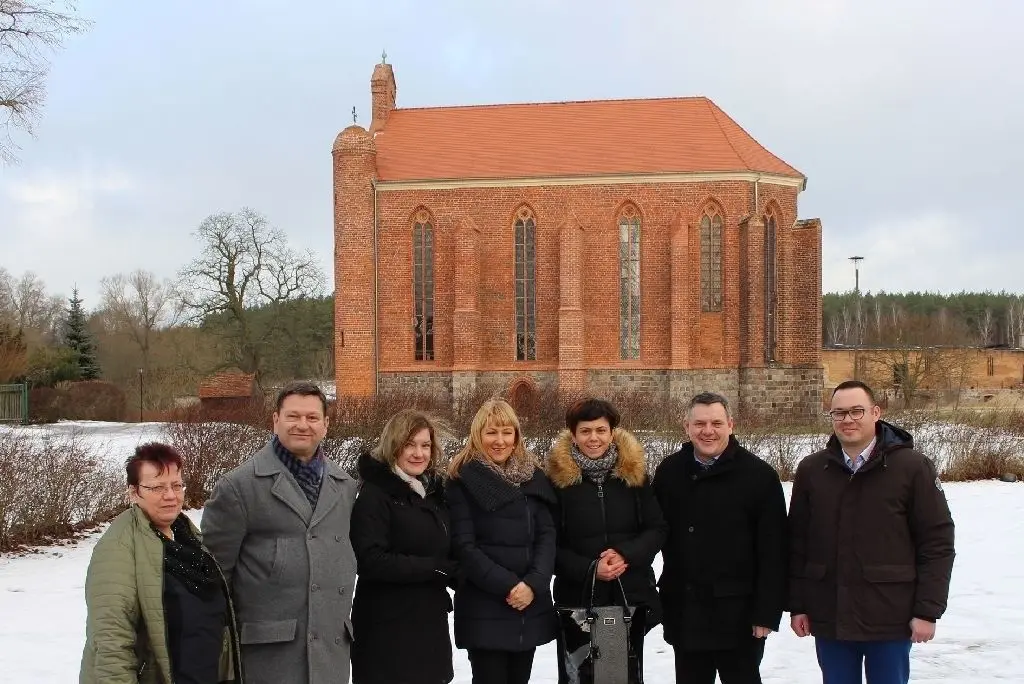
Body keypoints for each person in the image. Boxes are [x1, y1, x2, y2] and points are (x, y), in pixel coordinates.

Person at [788, 380, 956, 684]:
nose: (848, 420)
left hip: (890, 615)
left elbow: (937, 542)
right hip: (830, 614)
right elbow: (798, 542)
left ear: (876, 413)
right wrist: (797, 605)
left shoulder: (912, 468)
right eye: (839, 413)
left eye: (857, 411)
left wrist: (927, 610)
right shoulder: (813, 470)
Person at [201, 381, 357, 684]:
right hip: (268, 660)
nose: (303, 425)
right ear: (275, 420)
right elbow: (214, 579)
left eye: (312, 417)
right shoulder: (239, 487)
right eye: (293, 416)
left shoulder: (345, 486)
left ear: (326, 424)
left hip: (330, 658)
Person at [652, 391, 788, 684]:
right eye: (699, 423)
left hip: (739, 616)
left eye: (716, 423)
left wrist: (766, 613)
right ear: (686, 427)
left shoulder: (759, 476)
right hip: (685, 611)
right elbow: (654, 532)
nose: (708, 431)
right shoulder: (669, 472)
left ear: (730, 424)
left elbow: (774, 551)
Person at [80, 442, 243, 684]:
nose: (170, 496)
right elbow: (111, 640)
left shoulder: (188, 538)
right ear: (134, 492)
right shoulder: (119, 548)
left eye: (176, 485)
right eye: (157, 487)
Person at [546, 397, 668, 683]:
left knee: (618, 677)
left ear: (612, 433)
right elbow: (547, 544)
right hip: (578, 601)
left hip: (625, 598)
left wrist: (626, 554)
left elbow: (657, 529)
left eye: (601, 430)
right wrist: (591, 568)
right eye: (585, 431)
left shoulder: (634, 477)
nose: (594, 438)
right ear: (573, 435)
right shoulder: (557, 482)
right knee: (579, 678)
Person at [445, 398, 558, 684]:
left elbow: (546, 535)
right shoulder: (463, 480)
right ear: (477, 435)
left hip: (528, 603)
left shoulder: (532, 477)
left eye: (507, 432)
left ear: (516, 436)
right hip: (485, 603)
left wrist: (533, 584)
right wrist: (510, 586)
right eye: (491, 432)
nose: (500, 441)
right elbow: (464, 546)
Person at [349, 409, 457, 684]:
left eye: (425, 445)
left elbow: (445, 548)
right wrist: (433, 568)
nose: (419, 453)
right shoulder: (375, 494)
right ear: (393, 446)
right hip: (387, 628)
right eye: (409, 445)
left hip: (429, 624)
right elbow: (370, 559)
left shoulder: (433, 494)